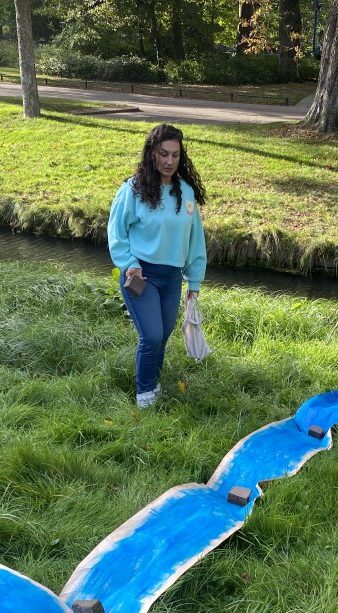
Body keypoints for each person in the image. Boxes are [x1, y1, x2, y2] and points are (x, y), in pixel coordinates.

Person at [108, 124, 207, 408]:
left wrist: (194, 282)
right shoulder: (133, 189)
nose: (168, 161)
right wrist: (129, 264)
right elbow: (117, 232)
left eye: (175, 155)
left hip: (172, 277)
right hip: (141, 275)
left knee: (163, 335)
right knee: (151, 335)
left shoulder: (185, 193)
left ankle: (153, 385)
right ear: (152, 153)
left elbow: (195, 240)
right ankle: (145, 395)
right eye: (163, 154)